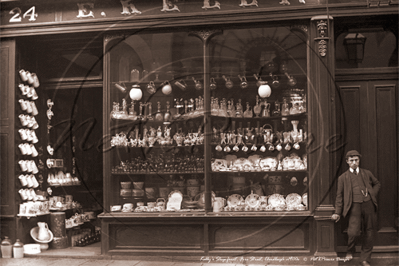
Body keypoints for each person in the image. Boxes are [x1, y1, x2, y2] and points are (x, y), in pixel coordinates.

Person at [331, 150, 380, 266]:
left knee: (369, 231)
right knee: (353, 232)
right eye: (351, 160)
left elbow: (377, 183)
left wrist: (372, 193)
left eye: (356, 160)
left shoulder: (366, 173)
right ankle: (350, 251)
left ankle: (365, 259)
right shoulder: (343, 178)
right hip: (354, 206)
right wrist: (337, 212)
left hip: (368, 205)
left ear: (359, 161)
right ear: (347, 161)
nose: (354, 162)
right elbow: (339, 196)